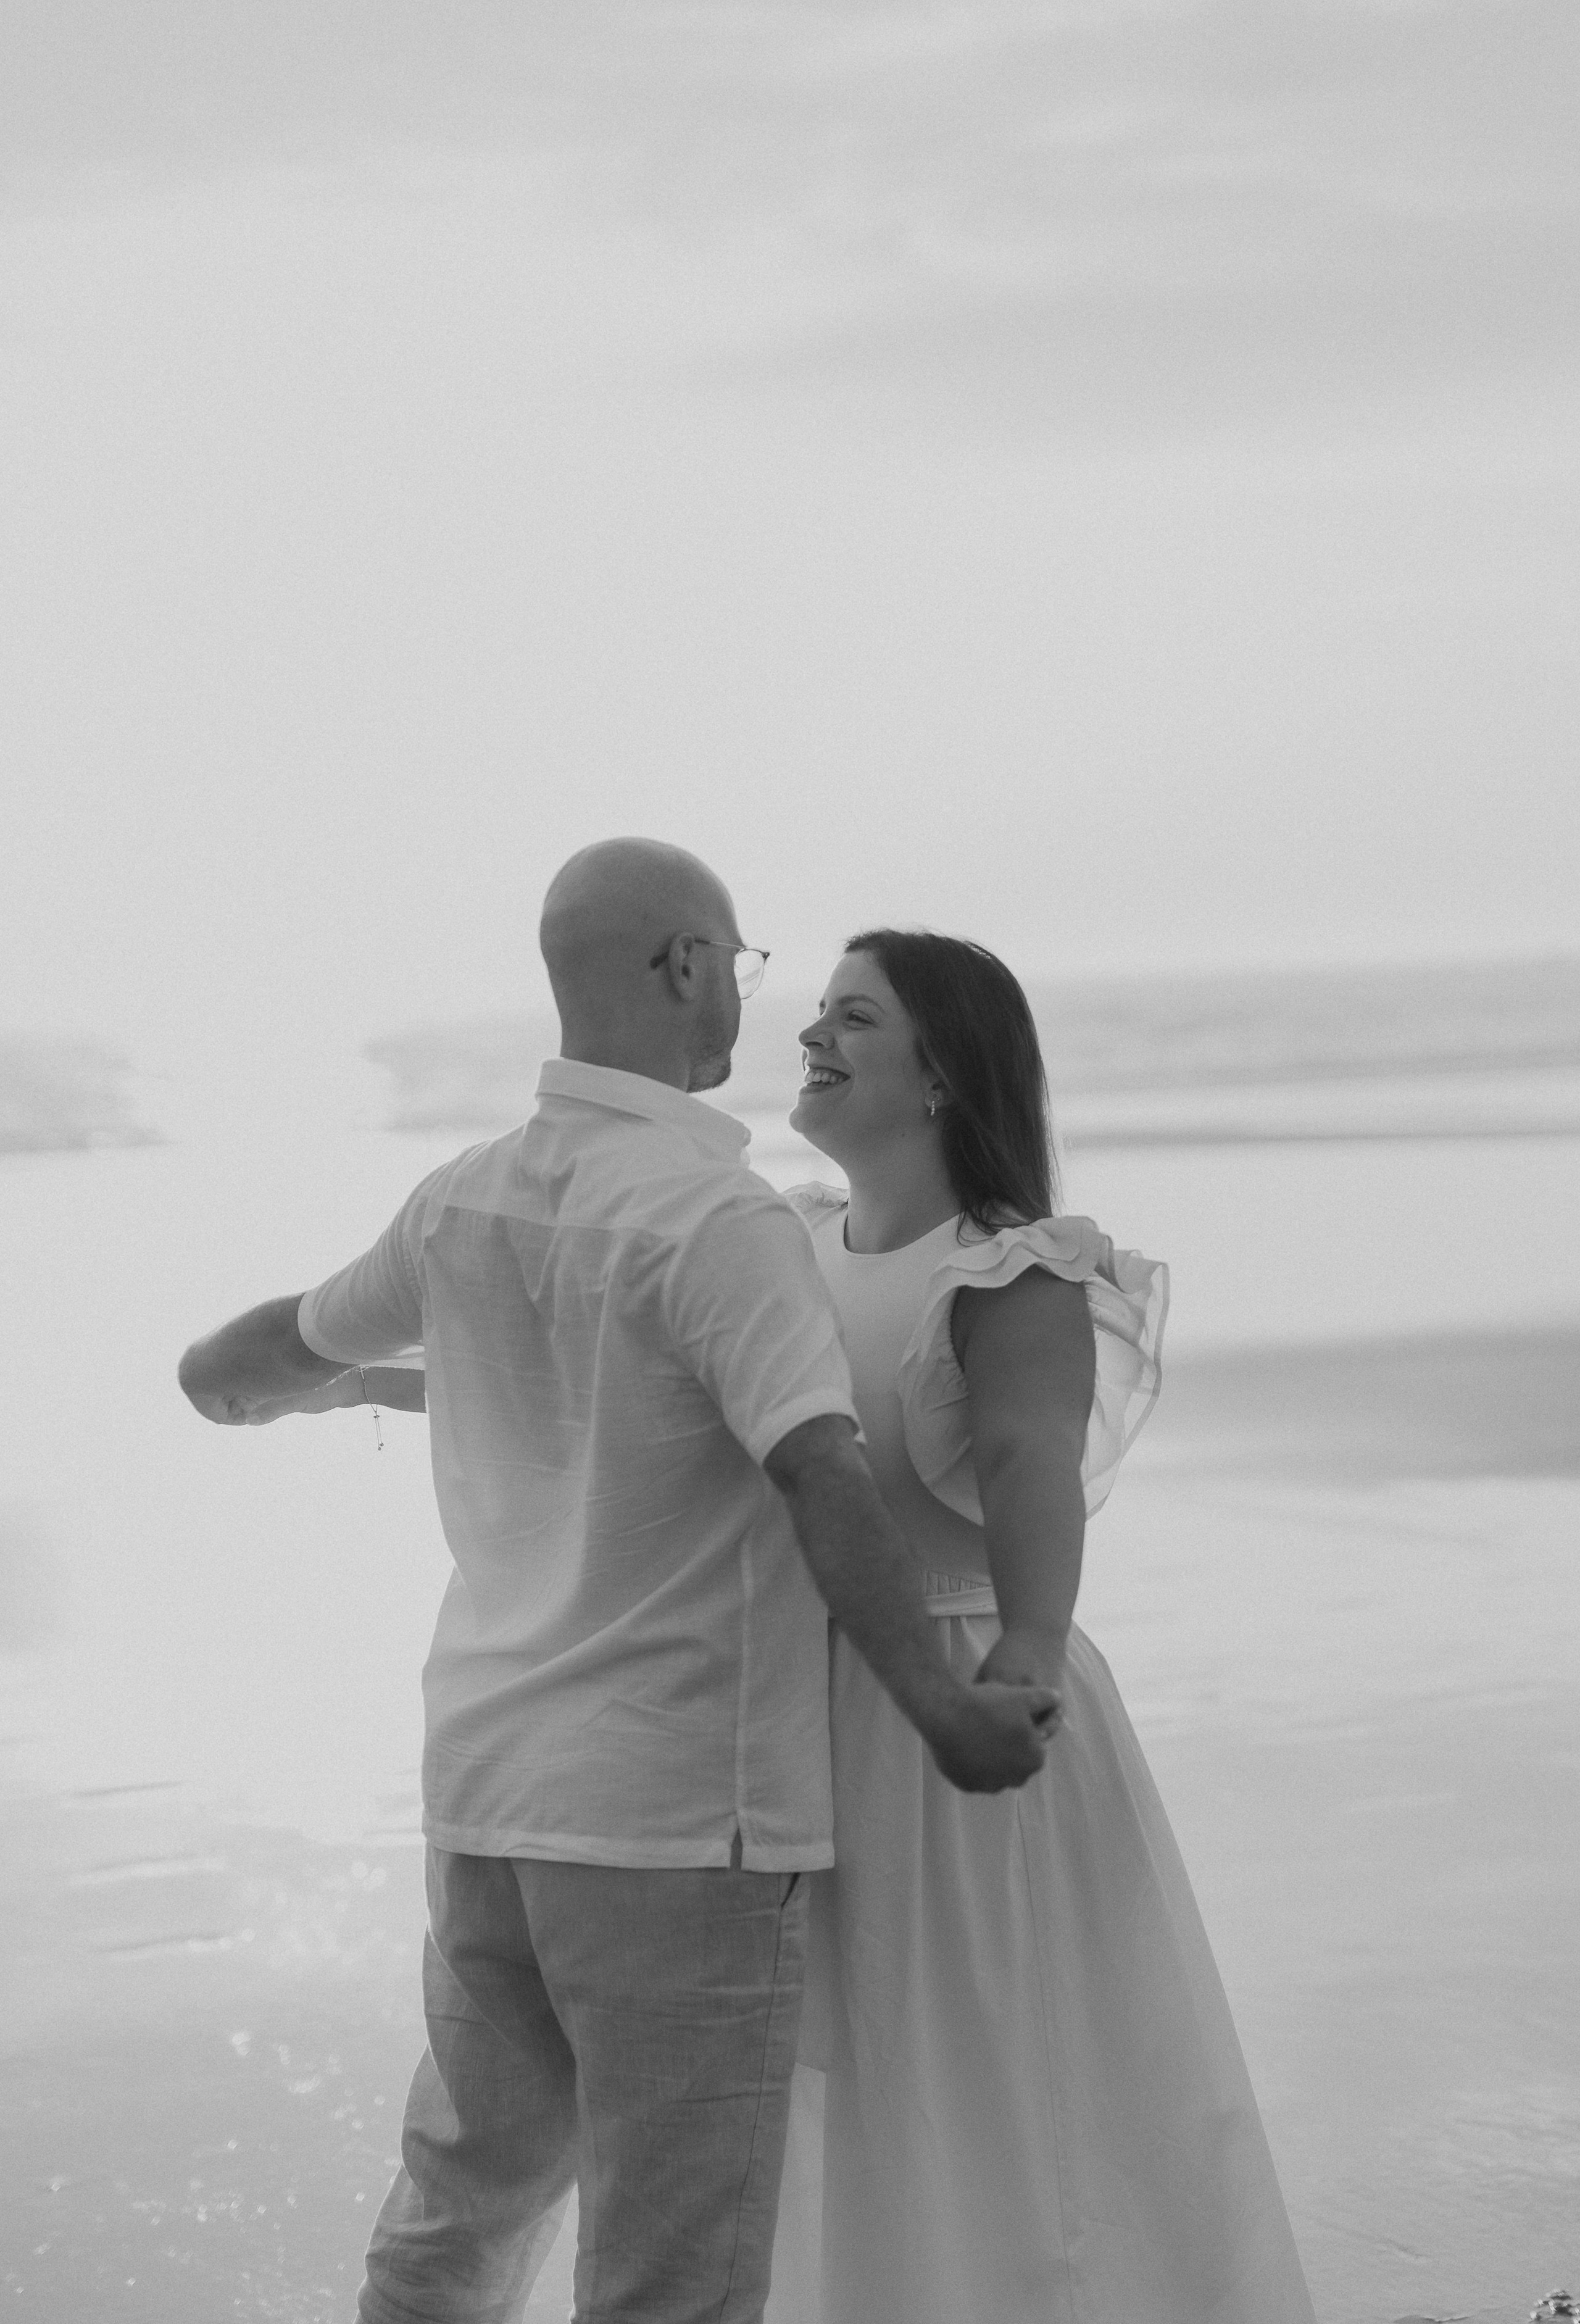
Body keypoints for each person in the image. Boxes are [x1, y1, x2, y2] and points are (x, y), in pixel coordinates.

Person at [177, 841, 1055, 2324]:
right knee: (671, 2270)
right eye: (745, 966)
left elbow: (266, 1354)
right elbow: (816, 1469)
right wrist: (939, 1707)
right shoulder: (721, 1223)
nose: (754, 1006)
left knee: (459, 2212)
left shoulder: (461, 1201)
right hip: (671, 1820)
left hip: (490, 1799)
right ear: (685, 967)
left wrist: (239, 1388)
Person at [763, 928, 1318, 2324]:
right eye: (815, 1013)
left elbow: (1024, 1460)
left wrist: (1025, 1647)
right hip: (793, 1713)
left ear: (943, 1071)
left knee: (987, 2077)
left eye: (852, 1017)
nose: (810, 1038)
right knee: (839, 2088)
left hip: (955, 1697)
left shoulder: (1008, 1269)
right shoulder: (778, 1246)